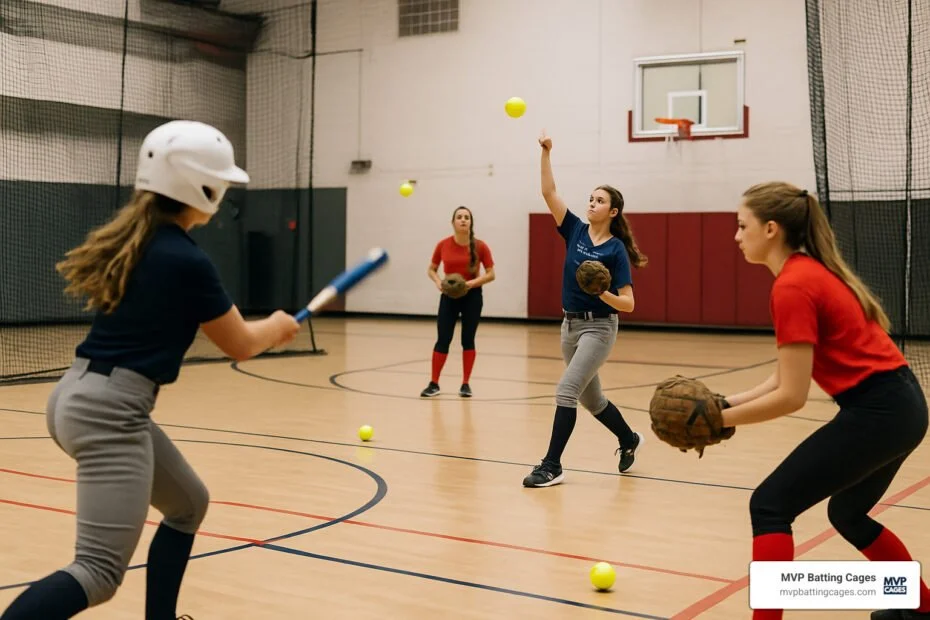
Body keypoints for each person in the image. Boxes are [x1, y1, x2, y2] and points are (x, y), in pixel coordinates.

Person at [0, 120, 300, 620]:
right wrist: (277, 325)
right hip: (109, 413)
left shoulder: (138, 240)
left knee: (189, 504)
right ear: (201, 187)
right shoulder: (187, 260)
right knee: (97, 572)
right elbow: (241, 344)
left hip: (80, 394)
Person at [721, 181, 929, 620]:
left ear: (771, 229)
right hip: (902, 407)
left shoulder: (793, 286)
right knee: (848, 512)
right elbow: (785, 374)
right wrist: (725, 404)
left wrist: (724, 421)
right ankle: (922, 607)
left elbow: (792, 397)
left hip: (881, 411)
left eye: (743, 226)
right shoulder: (806, 272)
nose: (737, 237)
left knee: (770, 504)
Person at [522, 131, 646, 488]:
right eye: (590, 198)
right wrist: (546, 153)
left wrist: (602, 291)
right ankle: (628, 439)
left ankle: (551, 465)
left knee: (566, 391)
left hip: (600, 328)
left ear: (613, 211)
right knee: (593, 401)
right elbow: (549, 192)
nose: (591, 204)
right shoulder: (575, 229)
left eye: (599, 200)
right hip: (569, 327)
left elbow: (629, 303)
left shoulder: (616, 250)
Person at [421, 205, 495, 398]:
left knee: (467, 340)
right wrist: (438, 282)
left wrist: (469, 284)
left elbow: (491, 274)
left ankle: (465, 384)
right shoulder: (443, 245)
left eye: (467, 217)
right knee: (443, 339)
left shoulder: (480, 246)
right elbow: (431, 269)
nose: (463, 220)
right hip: (448, 297)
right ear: (453, 222)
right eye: (459, 217)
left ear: (471, 222)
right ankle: (434, 383)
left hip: (472, 296)